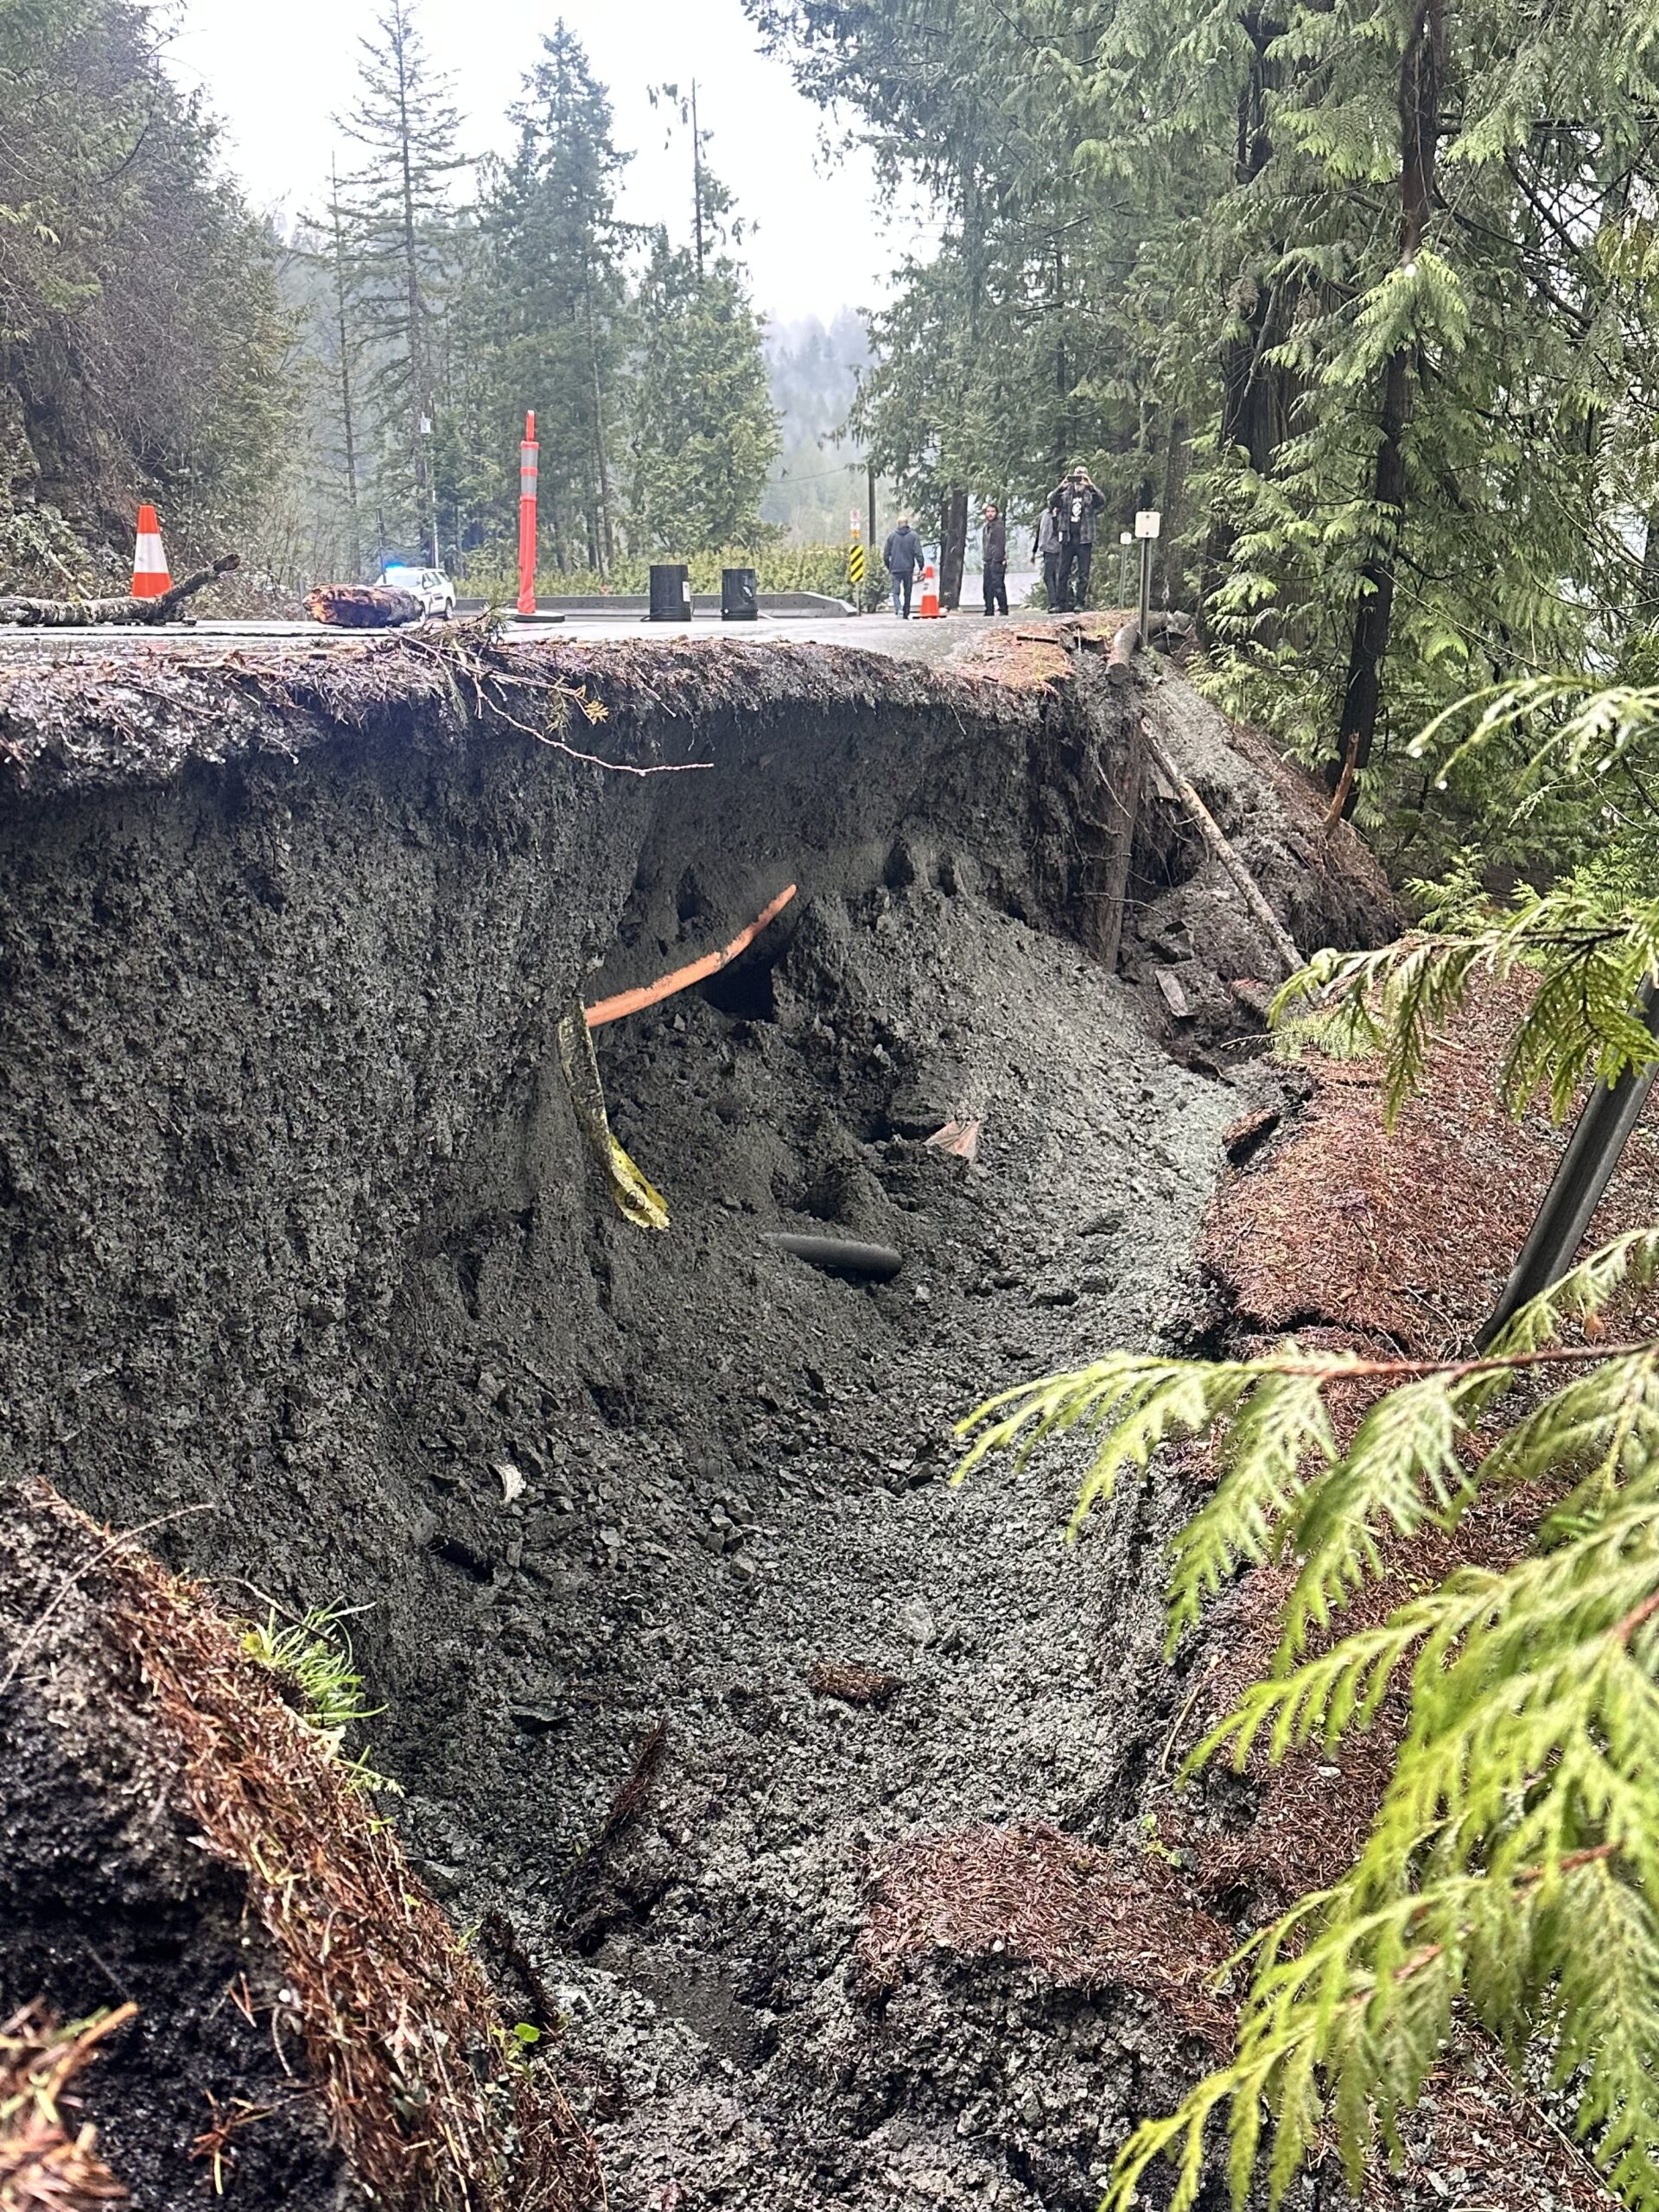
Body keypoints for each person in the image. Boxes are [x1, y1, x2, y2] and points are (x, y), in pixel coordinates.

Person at [1048, 463, 1108, 611]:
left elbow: (1102, 501)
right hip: (1068, 538)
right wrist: (1061, 486)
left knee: (1083, 573)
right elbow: (1052, 501)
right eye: (1077, 475)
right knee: (1063, 572)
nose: (1079, 479)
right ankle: (1061, 603)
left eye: (1081, 475)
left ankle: (1080, 603)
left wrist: (1091, 485)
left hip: (1084, 539)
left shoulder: (1090, 494)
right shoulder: (1066, 494)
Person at [882, 514, 925, 618]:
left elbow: (886, 554)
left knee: (896, 592)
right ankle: (906, 612)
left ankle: (899, 609)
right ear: (907, 524)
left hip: (895, 568)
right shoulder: (913, 536)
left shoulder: (892, 536)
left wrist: (889, 566)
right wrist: (921, 566)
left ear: (898, 524)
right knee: (908, 592)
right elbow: (918, 552)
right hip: (908, 568)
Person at [981, 503, 1007, 616]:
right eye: (988, 512)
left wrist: (997, 559)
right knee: (987, 587)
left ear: (996, 513)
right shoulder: (986, 528)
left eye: (992, 511)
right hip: (988, 560)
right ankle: (989, 609)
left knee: (998, 585)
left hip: (996, 561)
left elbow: (1000, 545)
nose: (990, 514)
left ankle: (1003, 609)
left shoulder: (998, 527)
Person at [1034, 504, 1060, 610]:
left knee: (1050, 576)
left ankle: (1056, 602)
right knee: (1051, 576)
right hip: (1046, 549)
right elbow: (1039, 532)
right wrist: (1034, 550)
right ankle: (1054, 602)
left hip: (1056, 548)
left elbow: (1057, 531)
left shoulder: (1060, 514)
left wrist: (1055, 517)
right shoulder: (1044, 514)